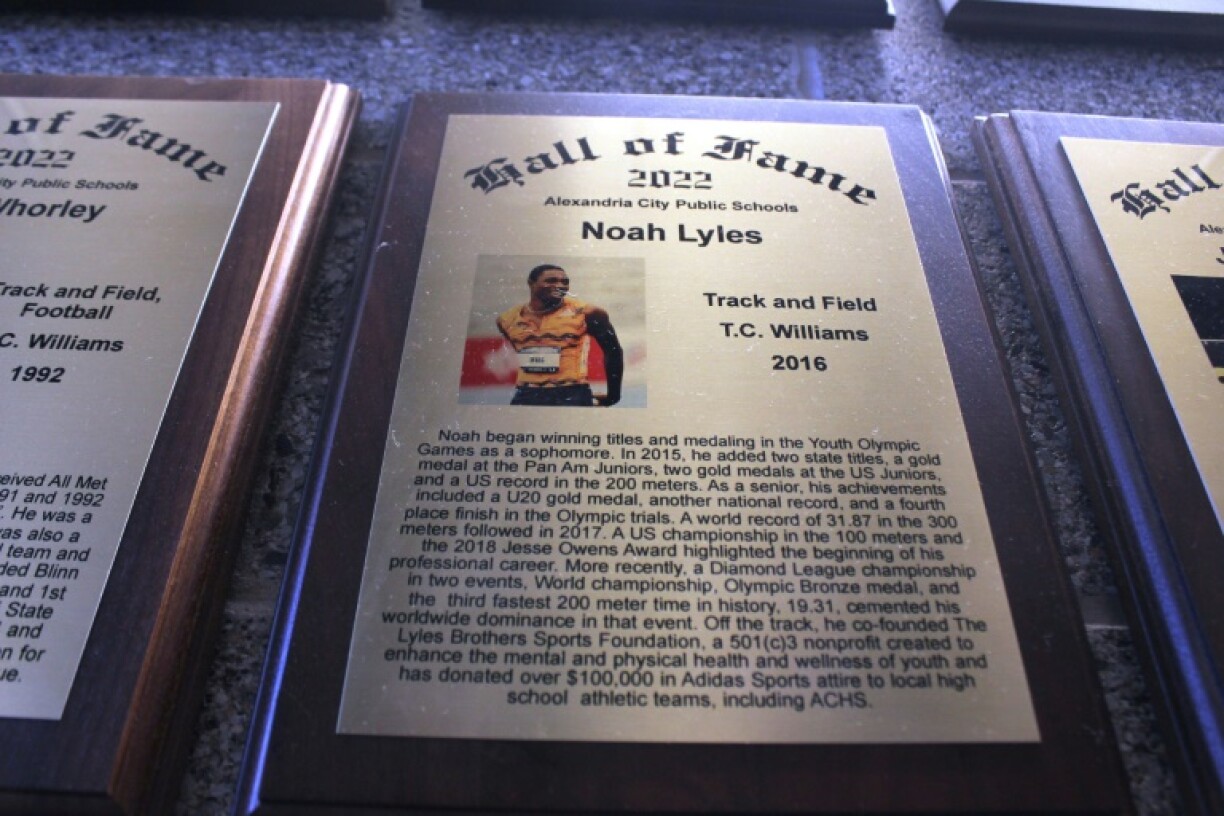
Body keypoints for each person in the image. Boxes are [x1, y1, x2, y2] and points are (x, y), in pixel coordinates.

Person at [495, 264, 623, 407]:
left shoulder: (587, 313)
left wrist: (614, 395)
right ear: (531, 283)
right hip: (526, 394)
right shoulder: (507, 319)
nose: (560, 286)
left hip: (572, 394)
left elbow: (613, 352)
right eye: (551, 281)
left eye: (565, 282)